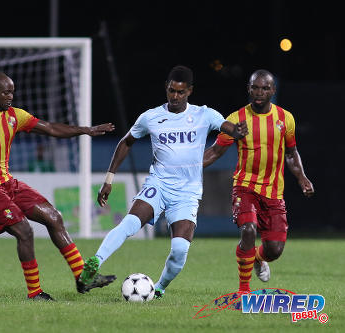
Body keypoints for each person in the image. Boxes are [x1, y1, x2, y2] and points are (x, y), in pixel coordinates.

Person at [0, 72, 116, 301]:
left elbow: (50, 128)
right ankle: (35, 292)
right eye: (6, 92)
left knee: (54, 216)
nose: (11, 96)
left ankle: (83, 277)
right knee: (24, 231)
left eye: (12, 91)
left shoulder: (15, 116)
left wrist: (86, 130)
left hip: (7, 183)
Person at [77, 65, 248, 297]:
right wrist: (109, 179)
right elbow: (126, 142)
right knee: (129, 223)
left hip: (187, 193)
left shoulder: (204, 114)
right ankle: (93, 264)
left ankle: (159, 288)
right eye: (171, 91)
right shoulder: (151, 117)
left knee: (179, 250)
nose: (175, 96)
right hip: (158, 185)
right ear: (166, 89)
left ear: (189, 91)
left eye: (180, 92)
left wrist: (237, 130)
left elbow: (228, 128)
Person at [203, 69, 314, 293]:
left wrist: (301, 177)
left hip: (274, 193)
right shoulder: (236, 120)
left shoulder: (285, 119)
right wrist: (186, 167)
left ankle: (255, 258)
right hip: (245, 187)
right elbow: (215, 151)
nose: (259, 92)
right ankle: (244, 292)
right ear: (249, 89)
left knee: (274, 250)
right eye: (255, 87)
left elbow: (291, 153)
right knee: (249, 230)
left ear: (273, 90)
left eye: (265, 88)